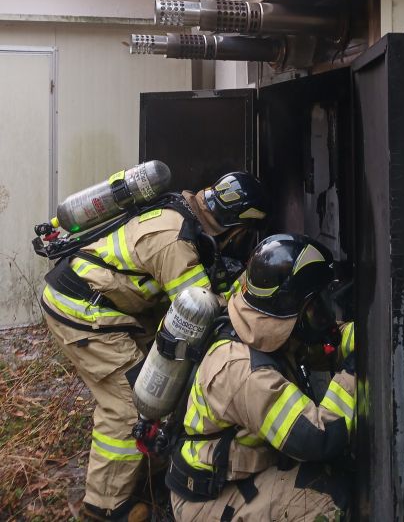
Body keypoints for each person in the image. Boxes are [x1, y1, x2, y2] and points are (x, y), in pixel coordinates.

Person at [42, 171, 269, 522]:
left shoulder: (182, 207)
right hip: (82, 309)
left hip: (109, 306)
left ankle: (146, 462)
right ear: (235, 224)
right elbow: (201, 310)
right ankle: (104, 505)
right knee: (127, 403)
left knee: (158, 384)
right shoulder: (176, 242)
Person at [167, 233, 356, 522]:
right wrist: (352, 375)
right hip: (208, 500)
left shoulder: (258, 322)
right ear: (292, 309)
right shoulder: (244, 372)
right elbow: (318, 439)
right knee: (324, 499)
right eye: (315, 307)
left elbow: (319, 346)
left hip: (236, 474)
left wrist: (364, 337)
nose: (323, 314)